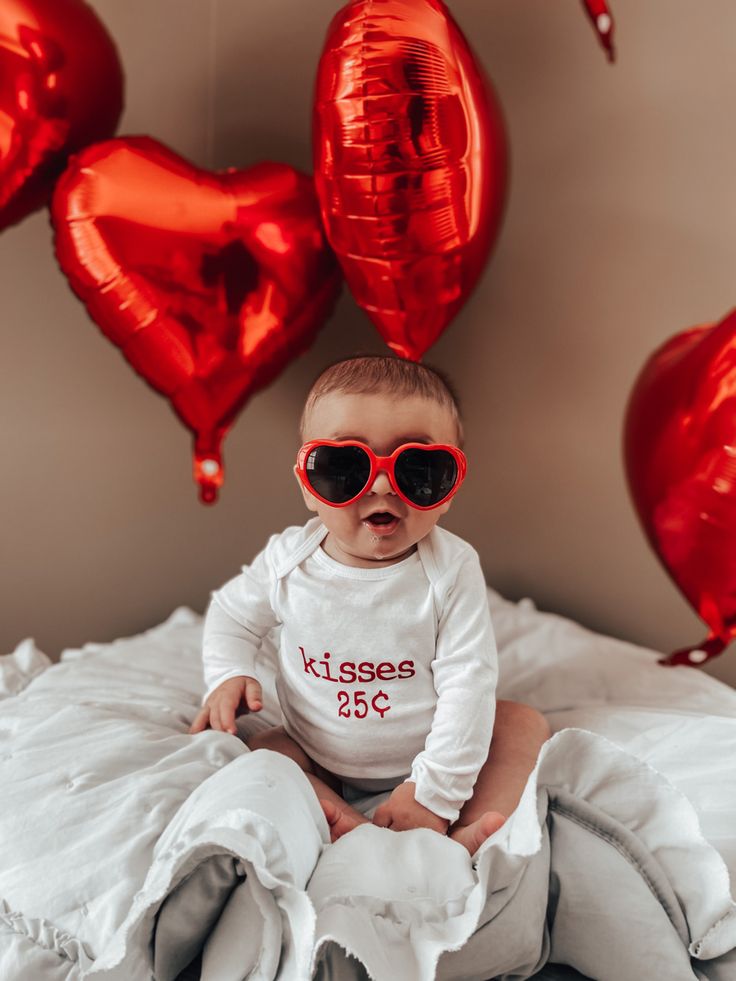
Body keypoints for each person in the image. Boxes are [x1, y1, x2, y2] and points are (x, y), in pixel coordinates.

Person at [190, 355, 550, 855]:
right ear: (308, 487)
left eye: (418, 469)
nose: (381, 486)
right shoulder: (288, 562)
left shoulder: (452, 568)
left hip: (431, 752)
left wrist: (434, 794)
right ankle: (342, 818)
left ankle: (463, 837)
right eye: (344, 467)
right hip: (318, 751)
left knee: (519, 724)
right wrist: (228, 672)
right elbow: (231, 615)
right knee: (262, 750)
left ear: (448, 491)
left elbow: (467, 680)